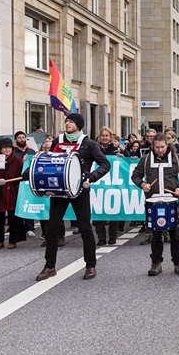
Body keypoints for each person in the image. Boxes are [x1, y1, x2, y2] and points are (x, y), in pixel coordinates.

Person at [34, 113, 110, 282]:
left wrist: (92, 176)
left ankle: (90, 265)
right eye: (66, 121)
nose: (67, 123)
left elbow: (105, 164)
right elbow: (45, 161)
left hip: (80, 191)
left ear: (79, 125)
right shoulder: (57, 142)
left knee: (85, 228)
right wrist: (29, 173)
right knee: (52, 229)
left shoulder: (88, 143)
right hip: (59, 191)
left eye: (71, 121)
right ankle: (49, 266)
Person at [132, 133, 179, 276]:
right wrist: (142, 184)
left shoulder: (176, 158)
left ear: (167, 145)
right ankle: (156, 264)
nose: (160, 150)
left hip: (171, 200)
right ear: (152, 146)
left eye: (162, 147)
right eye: (157, 147)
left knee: (175, 235)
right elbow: (135, 175)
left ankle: (178, 263)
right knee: (156, 234)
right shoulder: (146, 159)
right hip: (153, 200)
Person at [0, 138, 26, 249]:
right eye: (4, 148)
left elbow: (22, 177)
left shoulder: (18, 161)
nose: (7, 150)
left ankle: (13, 240)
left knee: (14, 217)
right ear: (0, 149)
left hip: (12, 191)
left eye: (9, 147)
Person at [94, 127, 121, 246]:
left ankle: (112, 236)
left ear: (110, 138)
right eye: (102, 135)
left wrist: (125, 157)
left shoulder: (115, 150)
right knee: (97, 210)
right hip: (98, 185)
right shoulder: (94, 149)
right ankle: (101, 237)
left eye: (107, 136)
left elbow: (125, 162)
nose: (104, 138)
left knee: (113, 210)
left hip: (112, 184)